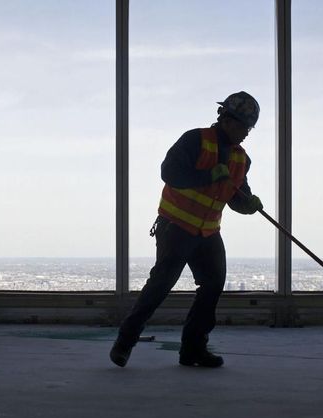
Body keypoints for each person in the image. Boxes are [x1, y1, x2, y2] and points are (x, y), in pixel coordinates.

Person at [110, 91, 263, 368]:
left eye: (249, 128)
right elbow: (169, 173)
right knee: (160, 285)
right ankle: (124, 342)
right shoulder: (196, 140)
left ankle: (193, 349)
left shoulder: (242, 159)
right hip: (177, 227)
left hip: (207, 232)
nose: (246, 133)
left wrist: (249, 204)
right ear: (227, 120)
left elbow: (236, 196)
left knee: (213, 284)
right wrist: (208, 175)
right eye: (244, 126)